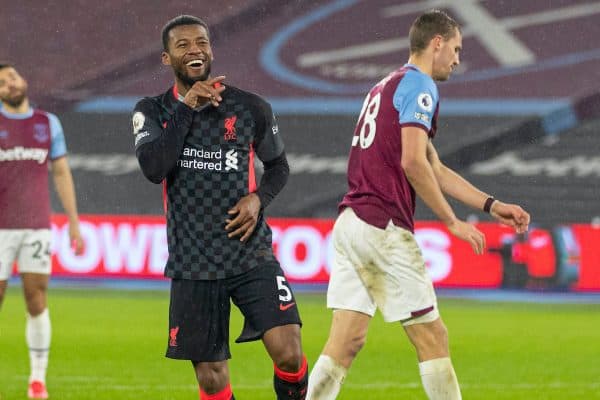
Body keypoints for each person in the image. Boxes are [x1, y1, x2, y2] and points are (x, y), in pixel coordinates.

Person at [306, 10, 531, 400]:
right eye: (456, 49)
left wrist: (491, 205)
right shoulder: (422, 87)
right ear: (437, 42)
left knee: (346, 341)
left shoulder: (387, 85)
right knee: (432, 336)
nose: (458, 59)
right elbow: (412, 162)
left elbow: (434, 167)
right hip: (382, 227)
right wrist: (452, 222)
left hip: (351, 223)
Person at [132, 15, 308, 400]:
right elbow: (154, 168)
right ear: (167, 58)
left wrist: (258, 198)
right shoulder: (152, 111)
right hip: (193, 259)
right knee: (212, 378)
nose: (195, 50)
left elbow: (279, 167)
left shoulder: (250, 108)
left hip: (249, 252)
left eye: (202, 42)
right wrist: (187, 109)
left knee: (290, 352)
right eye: (183, 45)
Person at [0, 63, 84, 399]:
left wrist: (74, 223)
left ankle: (37, 380)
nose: (9, 83)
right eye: (2, 82)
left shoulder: (47, 123)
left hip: (36, 225)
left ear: (24, 80)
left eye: (12, 77)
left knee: (37, 299)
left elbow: (61, 173)